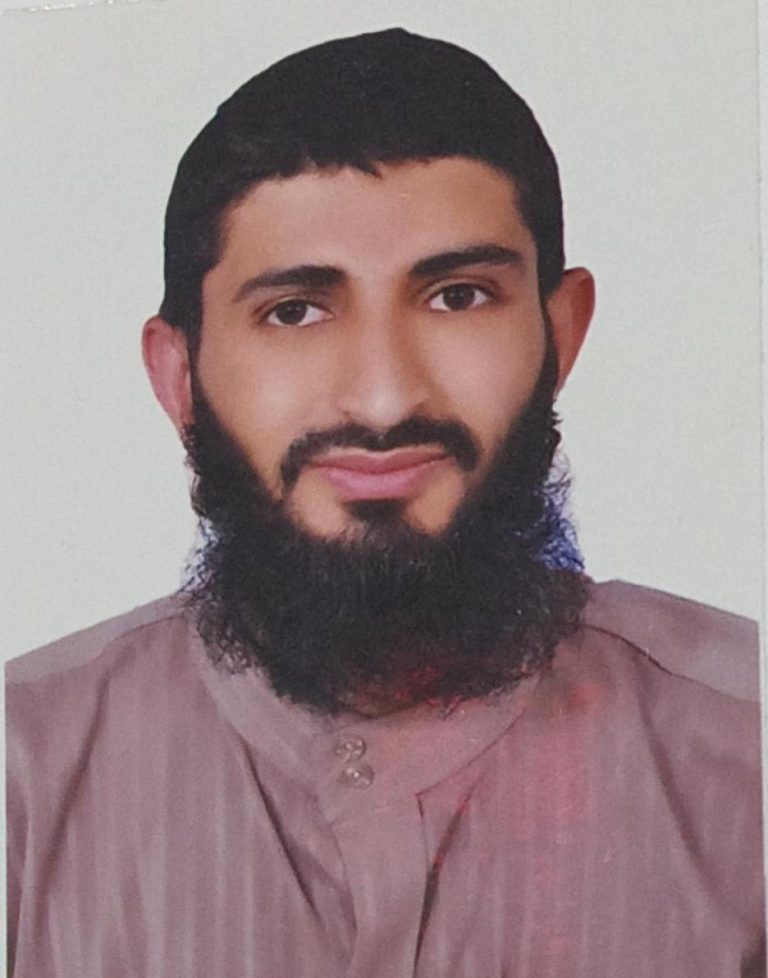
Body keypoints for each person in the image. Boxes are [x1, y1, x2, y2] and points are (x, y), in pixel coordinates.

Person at [6, 28, 763, 978]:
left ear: (560, 334)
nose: (382, 398)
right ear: (180, 377)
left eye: (457, 297)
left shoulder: (746, 749)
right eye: (294, 311)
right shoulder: (23, 781)